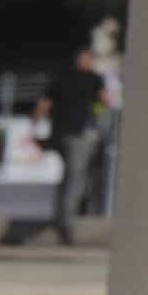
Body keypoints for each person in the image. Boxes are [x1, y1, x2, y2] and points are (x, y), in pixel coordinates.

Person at [35, 47, 110, 245]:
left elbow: (43, 106)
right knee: (77, 177)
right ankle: (66, 221)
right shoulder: (93, 79)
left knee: (68, 175)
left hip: (59, 134)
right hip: (79, 133)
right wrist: (100, 118)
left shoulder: (60, 78)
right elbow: (105, 101)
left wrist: (35, 126)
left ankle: (59, 214)